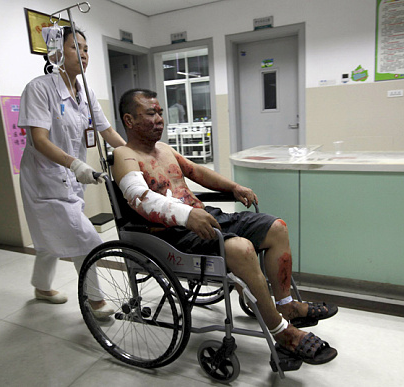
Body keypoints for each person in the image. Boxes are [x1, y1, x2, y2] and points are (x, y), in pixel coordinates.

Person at [112, 88, 338, 365]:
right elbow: (141, 198)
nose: (159, 119)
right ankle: (284, 334)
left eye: (160, 112)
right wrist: (185, 215)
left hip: (204, 216)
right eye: (151, 113)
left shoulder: (164, 150)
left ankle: (286, 305)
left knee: (277, 227)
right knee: (241, 248)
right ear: (129, 120)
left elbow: (197, 172)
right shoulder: (124, 155)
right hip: (173, 234)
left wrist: (233, 187)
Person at [18, 26, 126, 318]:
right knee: (85, 238)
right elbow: (39, 140)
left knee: (50, 237)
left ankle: (41, 287)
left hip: (68, 178)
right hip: (44, 179)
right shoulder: (39, 89)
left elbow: (106, 130)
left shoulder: (86, 92)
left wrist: (132, 154)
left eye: (86, 48)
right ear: (56, 52)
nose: (84, 54)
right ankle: (96, 301)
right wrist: (76, 164)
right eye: (74, 47)